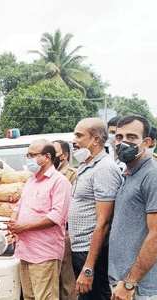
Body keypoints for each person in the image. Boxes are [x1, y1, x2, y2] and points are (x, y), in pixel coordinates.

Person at [109, 115, 157, 300]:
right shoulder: (129, 173)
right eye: (119, 138)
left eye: (131, 137)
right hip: (121, 281)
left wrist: (130, 282)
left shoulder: (154, 175)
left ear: (145, 142)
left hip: (135, 287)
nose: (123, 143)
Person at [6, 139, 72, 299]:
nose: (28, 159)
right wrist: (13, 223)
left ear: (47, 156)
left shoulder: (60, 181)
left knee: (45, 297)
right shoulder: (31, 180)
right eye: (27, 155)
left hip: (44, 252)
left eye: (32, 155)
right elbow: (20, 205)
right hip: (25, 250)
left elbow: (56, 216)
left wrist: (24, 227)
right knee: (29, 296)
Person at [69, 118, 122, 300]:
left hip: (93, 252)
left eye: (79, 135)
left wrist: (89, 267)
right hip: (81, 250)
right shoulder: (86, 166)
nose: (74, 140)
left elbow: (105, 223)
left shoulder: (104, 169)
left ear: (96, 139)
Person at [52, 140, 77, 300]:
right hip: (47, 234)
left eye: (53, 153)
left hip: (65, 232)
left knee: (67, 281)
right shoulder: (44, 176)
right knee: (52, 280)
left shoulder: (73, 175)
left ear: (65, 155)